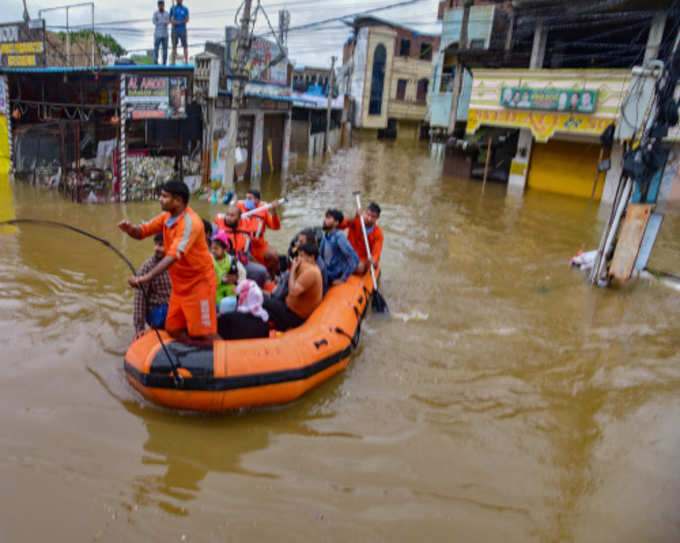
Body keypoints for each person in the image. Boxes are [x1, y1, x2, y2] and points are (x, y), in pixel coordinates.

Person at [118, 180, 219, 347]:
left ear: (178, 200)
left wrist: (146, 278)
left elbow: (173, 256)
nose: (160, 199)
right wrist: (130, 230)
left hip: (199, 285)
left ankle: (222, 360)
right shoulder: (166, 218)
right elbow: (142, 232)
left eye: (164, 196)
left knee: (206, 334)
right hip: (180, 287)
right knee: (173, 329)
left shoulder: (190, 223)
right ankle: (195, 355)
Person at [263, 241, 323, 331]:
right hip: (289, 307)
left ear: (312, 257)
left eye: (302, 256)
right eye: (299, 255)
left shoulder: (311, 272)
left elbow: (293, 291)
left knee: (262, 300)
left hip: (294, 315)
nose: (299, 258)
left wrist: (293, 268)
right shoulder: (309, 268)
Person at [213, 204, 269, 287]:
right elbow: (212, 252)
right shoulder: (217, 229)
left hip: (242, 263)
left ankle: (252, 293)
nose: (228, 217)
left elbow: (246, 252)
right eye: (227, 214)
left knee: (262, 271)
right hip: (224, 266)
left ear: (239, 218)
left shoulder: (245, 229)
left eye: (232, 215)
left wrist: (257, 263)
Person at [133, 233, 171, 339]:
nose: (156, 248)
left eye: (161, 245)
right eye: (156, 244)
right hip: (157, 312)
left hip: (172, 307)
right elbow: (139, 299)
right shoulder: (147, 267)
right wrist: (139, 328)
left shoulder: (176, 263)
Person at [272, 228, 328, 301]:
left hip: (310, 296)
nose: (297, 244)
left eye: (301, 242)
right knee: (282, 261)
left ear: (309, 244)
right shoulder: (305, 256)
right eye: (298, 241)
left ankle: (274, 298)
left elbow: (299, 285)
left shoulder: (316, 266)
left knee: (288, 275)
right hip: (302, 287)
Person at [236, 189, 281, 276]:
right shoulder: (239, 210)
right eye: (246, 198)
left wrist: (274, 211)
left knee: (274, 256)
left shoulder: (263, 211)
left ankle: (271, 277)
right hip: (244, 244)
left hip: (259, 244)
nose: (246, 201)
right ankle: (261, 273)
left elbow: (275, 227)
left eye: (249, 198)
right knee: (257, 265)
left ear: (257, 201)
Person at [339, 202, 383, 275]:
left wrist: (374, 260)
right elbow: (340, 226)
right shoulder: (357, 219)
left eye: (373, 217)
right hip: (348, 252)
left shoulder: (378, 233)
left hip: (361, 259)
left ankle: (345, 268)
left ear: (377, 218)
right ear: (365, 213)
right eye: (368, 215)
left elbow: (377, 251)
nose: (369, 218)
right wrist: (354, 216)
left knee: (360, 268)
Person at [319, 209, 359, 286]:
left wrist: (343, 279)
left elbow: (354, 258)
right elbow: (320, 255)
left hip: (334, 273)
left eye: (328, 218)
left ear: (336, 222)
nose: (325, 220)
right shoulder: (326, 235)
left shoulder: (339, 238)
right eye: (325, 217)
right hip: (326, 270)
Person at [211, 231, 246, 314]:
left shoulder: (231, 260)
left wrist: (239, 285)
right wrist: (221, 281)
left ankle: (231, 311)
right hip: (216, 288)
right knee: (217, 301)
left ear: (225, 249)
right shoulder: (210, 260)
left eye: (216, 248)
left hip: (229, 287)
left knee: (232, 292)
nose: (213, 251)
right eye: (212, 248)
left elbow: (242, 273)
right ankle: (220, 312)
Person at [169, 0, 189, 65]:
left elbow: (187, 19)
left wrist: (179, 22)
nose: (179, 1)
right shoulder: (173, 8)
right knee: (174, 46)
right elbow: (169, 18)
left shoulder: (185, 9)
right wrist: (172, 22)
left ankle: (186, 61)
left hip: (182, 29)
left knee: (185, 46)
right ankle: (173, 61)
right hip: (174, 30)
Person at [152, 0, 169, 65]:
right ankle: (155, 62)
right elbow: (154, 21)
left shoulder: (167, 13)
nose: (161, 6)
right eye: (159, 5)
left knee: (165, 49)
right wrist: (162, 22)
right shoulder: (155, 13)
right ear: (158, 6)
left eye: (162, 5)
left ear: (163, 5)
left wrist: (160, 21)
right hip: (157, 34)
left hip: (165, 34)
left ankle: (164, 63)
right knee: (156, 48)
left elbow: (167, 22)